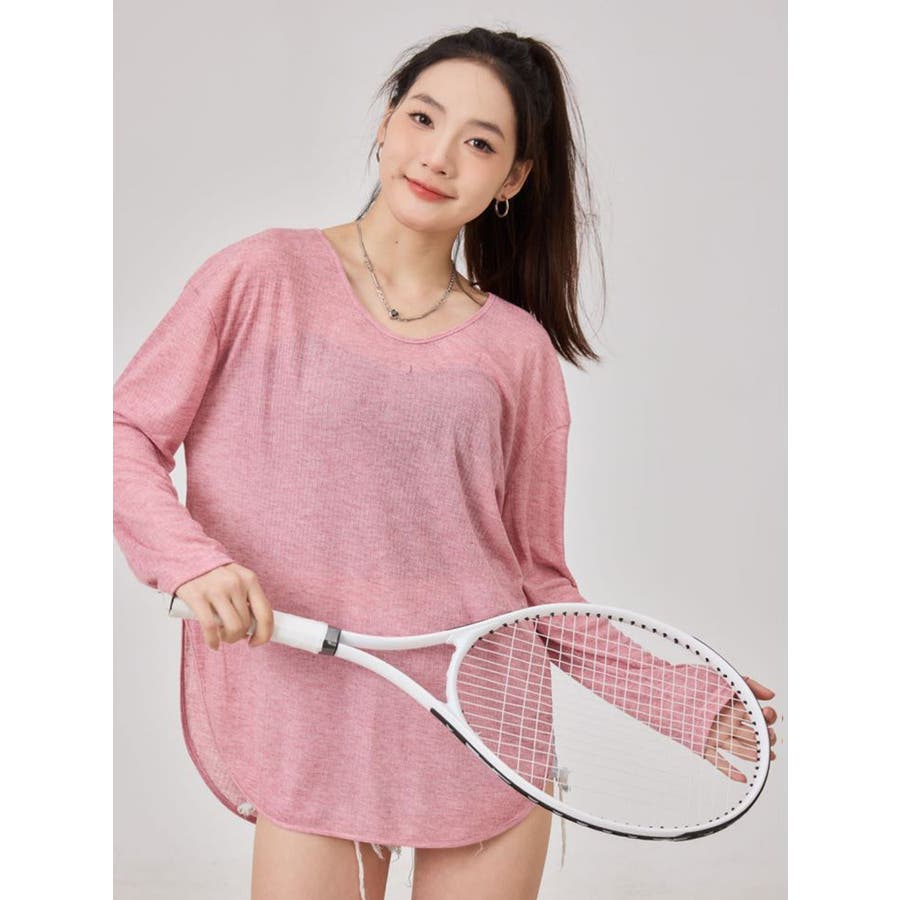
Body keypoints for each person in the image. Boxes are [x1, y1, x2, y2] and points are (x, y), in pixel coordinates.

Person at [113, 26, 778, 900]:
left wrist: (676, 698)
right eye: (424, 119)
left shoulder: (516, 350)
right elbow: (122, 433)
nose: (438, 156)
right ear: (386, 123)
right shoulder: (260, 276)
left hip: (485, 723)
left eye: (480, 143)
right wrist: (190, 561)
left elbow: (537, 579)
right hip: (311, 715)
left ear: (512, 180)